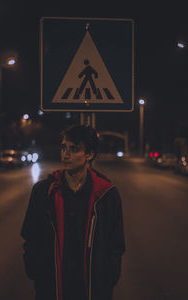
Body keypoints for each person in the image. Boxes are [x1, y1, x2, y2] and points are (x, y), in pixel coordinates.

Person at [20, 124, 125, 300]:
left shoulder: (106, 195)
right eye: (63, 147)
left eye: (74, 149)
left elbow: (116, 244)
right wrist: (36, 272)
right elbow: (30, 235)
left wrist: (108, 279)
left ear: (89, 155)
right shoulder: (44, 192)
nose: (65, 154)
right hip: (52, 286)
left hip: (92, 289)